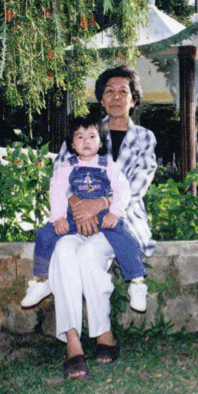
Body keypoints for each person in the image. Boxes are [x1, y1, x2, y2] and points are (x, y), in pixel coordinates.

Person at [48, 65, 157, 380]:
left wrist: (101, 204)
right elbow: (60, 172)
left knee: (88, 255)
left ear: (134, 99)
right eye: (109, 90)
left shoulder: (144, 138)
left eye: (124, 91)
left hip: (118, 222)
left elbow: (137, 184)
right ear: (101, 98)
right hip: (75, 218)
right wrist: (76, 206)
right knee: (63, 252)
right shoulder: (88, 129)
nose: (116, 96)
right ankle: (72, 342)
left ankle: (103, 334)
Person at [20, 116, 148, 312]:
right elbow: (57, 192)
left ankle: (137, 283)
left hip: (104, 214)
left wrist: (114, 213)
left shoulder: (109, 166)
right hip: (74, 216)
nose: (86, 141)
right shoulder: (66, 167)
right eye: (79, 137)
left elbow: (123, 190)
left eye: (91, 136)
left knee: (125, 236)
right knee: (45, 234)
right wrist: (59, 217)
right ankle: (41, 279)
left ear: (101, 141)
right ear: (72, 143)